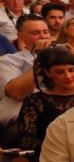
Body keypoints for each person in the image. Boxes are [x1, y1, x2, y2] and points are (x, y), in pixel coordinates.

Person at [0, 15, 51, 148]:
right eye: (35, 33)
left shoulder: (62, 57)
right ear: (21, 36)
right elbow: (17, 92)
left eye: (45, 32)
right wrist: (41, 59)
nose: (43, 36)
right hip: (21, 121)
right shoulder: (8, 60)